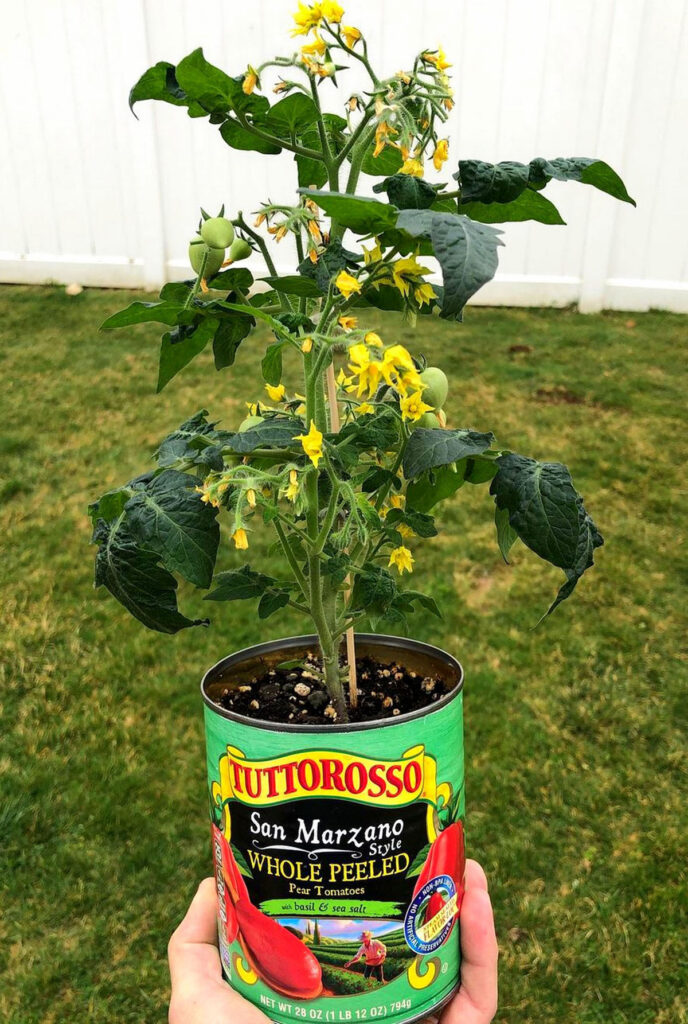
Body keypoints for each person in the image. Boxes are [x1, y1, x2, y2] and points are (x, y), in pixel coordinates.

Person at [168, 859, 498, 1024]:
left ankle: (378, 979)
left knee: (375, 972)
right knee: (370, 972)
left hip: (388, 975)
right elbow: (357, 955)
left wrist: (374, 956)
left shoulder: (373, 946)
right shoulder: (364, 946)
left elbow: (374, 951)